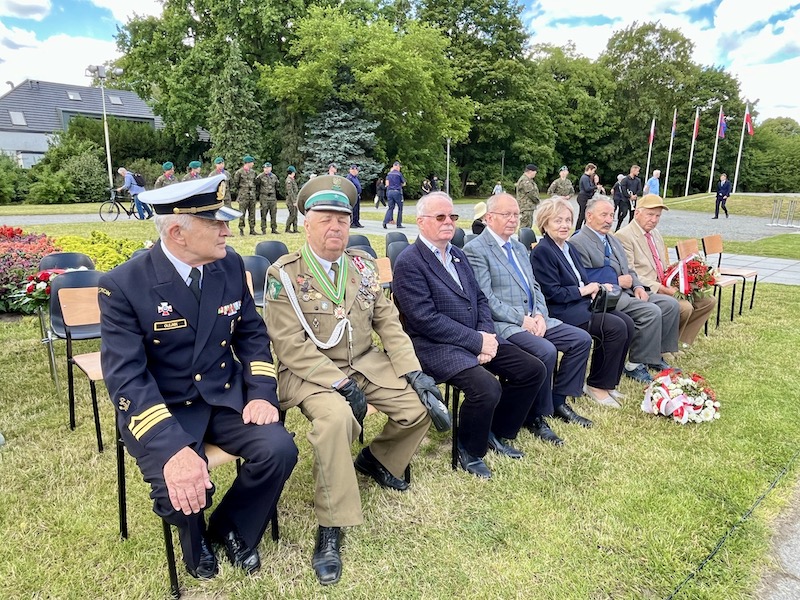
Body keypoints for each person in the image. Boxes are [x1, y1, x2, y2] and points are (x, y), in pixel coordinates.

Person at [99, 175, 298, 581]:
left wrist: (262, 392)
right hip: (163, 408)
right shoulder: (123, 285)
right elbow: (127, 378)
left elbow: (251, 334)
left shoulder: (229, 265)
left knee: (279, 449)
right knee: (184, 484)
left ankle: (231, 527)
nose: (228, 230)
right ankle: (195, 541)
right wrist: (173, 449)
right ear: (178, 232)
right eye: (216, 223)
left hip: (222, 395)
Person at [265, 175, 441, 586]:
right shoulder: (284, 274)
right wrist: (340, 384)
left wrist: (413, 371)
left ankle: (377, 460)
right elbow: (289, 345)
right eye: (325, 219)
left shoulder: (361, 265)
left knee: (418, 407)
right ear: (307, 223)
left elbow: (388, 322)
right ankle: (331, 525)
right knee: (336, 421)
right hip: (310, 372)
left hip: (363, 362)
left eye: (342, 220)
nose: (335, 227)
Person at [393, 191, 546, 479]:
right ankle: (469, 449)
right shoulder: (409, 262)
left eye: (452, 216)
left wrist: (486, 335)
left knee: (532, 369)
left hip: (476, 335)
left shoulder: (458, 255)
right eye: (440, 217)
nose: (449, 222)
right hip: (434, 346)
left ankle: (494, 430)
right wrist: (477, 341)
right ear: (421, 221)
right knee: (487, 388)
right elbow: (425, 320)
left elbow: (480, 299)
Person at [463, 194, 593, 439]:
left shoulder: (519, 248)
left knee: (581, 340)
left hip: (535, 318)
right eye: (506, 214)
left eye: (516, 214)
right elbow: (486, 298)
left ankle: (558, 401)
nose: (513, 219)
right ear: (489, 218)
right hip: (505, 323)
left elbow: (535, 286)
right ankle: (535, 416)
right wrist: (523, 320)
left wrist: (540, 315)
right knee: (545, 350)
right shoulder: (476, 250)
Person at [530, 198, 634, 407]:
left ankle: (607, 383)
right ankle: (596, 385)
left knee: (627, 323)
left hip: (582, 304)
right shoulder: (543, 251)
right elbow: (552, 293)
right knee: (614, 327)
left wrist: (594, 289)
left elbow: (583, 279)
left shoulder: (568, 247)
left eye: (568, 220)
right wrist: (584, 290)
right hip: (561, 310)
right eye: (558, 220)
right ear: (545, 223)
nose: (564, 225)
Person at [569, 196, 680, 384]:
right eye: (604, 215)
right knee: (651, 311)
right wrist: (617, 281)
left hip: (627, 290)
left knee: (670, 305)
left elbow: (628, 268)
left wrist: (637, 286)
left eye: (611, 215)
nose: (609, 220)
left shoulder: (611, 239)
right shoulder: (578, 242)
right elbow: (582, 278)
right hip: (606, 297)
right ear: (589, 216)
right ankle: (634, 365)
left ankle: (654, 355)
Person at [615, 194, 716, 347]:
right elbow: (630, 273)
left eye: (658, 216)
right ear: (637, 213)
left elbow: (664, 266)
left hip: (664, 283)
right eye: (650, 214)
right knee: (684, 307)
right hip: (646, 288)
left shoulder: (655, 234)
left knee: (708, 301)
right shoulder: (624, 236)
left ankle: (679, 341)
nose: (654, 220)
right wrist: (663, 289)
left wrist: (686, 278)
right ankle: (662, 347)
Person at [232, 156, 258, 236]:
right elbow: (236, 183)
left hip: (252, 196)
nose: (253, 164)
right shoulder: (239, 172)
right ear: (248, 163)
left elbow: (255, 183)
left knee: (252, 213)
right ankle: (241, 229)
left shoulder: (253, 172)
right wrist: (243, 190)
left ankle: (252, 229)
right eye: (252, 162)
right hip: (243, 196)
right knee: (242, 213)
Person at [256, 162, 280, 234]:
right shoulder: (260, 177)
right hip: (264, 197)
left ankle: (274, 228)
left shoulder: (274, 176)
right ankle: (263, 229)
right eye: (265, 168)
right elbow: (257, 186)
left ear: (270, 168)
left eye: (267, 168)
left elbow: (277, 186)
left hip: (272, 197)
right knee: (263, 213)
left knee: (273, 214)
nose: (266, 169)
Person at [617, 164, 642, 231]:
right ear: (633, 170)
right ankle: (618, 227)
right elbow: (623, 190)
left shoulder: (638, 180)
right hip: (625, 200)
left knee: (632, 215)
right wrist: (629, 196)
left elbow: (639, 189)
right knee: (623, 214)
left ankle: (630, 229)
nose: (638, 172)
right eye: (637, 171)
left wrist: (635, 195)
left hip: (633, 201)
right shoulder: (625, 180)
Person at [515, 164, 539, 229]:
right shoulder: (525, 180)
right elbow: (531, 193)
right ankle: (522, 236)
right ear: (530, 171)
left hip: (528, 206)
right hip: (526, 206)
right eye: (535, 172)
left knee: (528, 225)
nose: (535, 174)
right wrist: (537, 201)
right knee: (525, 225)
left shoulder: (528, 180)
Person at [382, 161, 406, 229]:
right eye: (399, 167)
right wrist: (400, 185)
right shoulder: (399, 174)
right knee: (400, 208)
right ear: (397, 167)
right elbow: (404, 183)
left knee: (390, 208)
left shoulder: (389, 174)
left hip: (390, 192)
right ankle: (399, 224)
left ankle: (385, 221)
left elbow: (387, 184)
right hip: (397, 192)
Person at [574, 163, 598, 231]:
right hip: (583, 197)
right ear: (589, 169)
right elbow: (587, 188)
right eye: (593, 171)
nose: (593, 172)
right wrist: (596, 187)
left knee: (586, 215)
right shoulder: (585, 178)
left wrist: (595, 184)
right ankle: (577, 230)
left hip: (587, 197)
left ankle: (585, 229)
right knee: (582, 215)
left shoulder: (588, 178)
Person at [285, 166, 299, 233]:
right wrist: (294, 201)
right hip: (290, 201)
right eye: (294, 172)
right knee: (292, 215)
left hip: (294, 199)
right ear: (292, 172)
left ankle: (295, 229)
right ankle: (287, 229)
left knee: (295, 215)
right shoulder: (289, 180)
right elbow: (290, 192)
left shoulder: (292, 179)